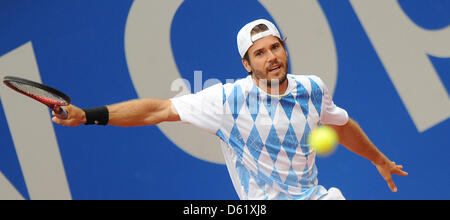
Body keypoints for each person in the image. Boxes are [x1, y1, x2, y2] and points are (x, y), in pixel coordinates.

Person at [52, 19, 408, 200]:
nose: (272, 58)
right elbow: (156, 110)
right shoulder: (225, 101)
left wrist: (378, 159)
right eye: (260, 53)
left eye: (276, 47)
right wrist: (89, 116)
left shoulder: (313, 89)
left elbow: (342, 126)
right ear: (246, 63)